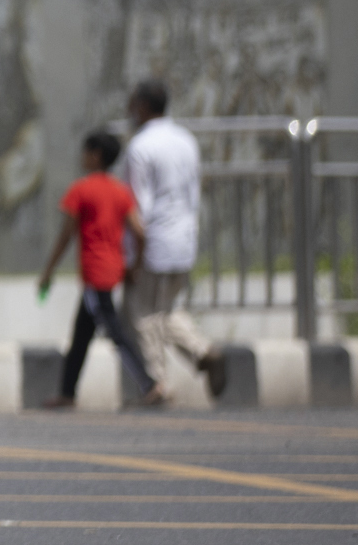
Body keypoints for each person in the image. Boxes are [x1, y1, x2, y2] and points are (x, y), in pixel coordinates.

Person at [39, 129, 162, 408]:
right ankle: (67, 393)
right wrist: (134, 266)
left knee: (115, 332)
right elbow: (140, 233)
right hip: (114, 269)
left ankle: (149, 384)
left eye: (85, 152)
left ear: (95, 156)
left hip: (96, 274)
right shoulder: (120, 191)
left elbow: (65, 235)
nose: (82, 157)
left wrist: (48, 271)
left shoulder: (81, 190)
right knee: (81, 335)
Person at [118, 78, 221, 396]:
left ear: (143, 107)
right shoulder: (186, 140)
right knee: (166, 309)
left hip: (154, 241)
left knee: (141, 313)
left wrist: (133, 256)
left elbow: (138, 207)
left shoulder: (140, 147)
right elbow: (193, 192)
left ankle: (157, 382)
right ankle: (201, 351)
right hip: (183, 239)